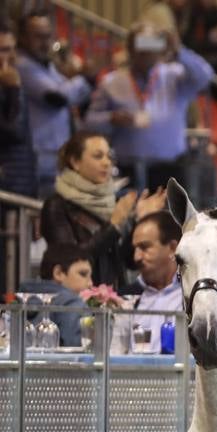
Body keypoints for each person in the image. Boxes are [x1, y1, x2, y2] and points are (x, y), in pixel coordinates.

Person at [84, 21, 213, 192]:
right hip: (126, 168)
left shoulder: (174, 75)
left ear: (160, 48)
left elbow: (205, 76)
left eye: (151, 43)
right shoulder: (111, 82)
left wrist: (178, 51)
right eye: (141, 43)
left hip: (169, 169)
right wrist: (111, 118)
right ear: (130, 49)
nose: (145, 50)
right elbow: (89, 121)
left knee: (169, 218)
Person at [39, 131, 166, 289]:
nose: (107, 163)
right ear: (75, 162)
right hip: (79, 302)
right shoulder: (56, 206)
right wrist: (114, 225)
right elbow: (72, 261)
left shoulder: (111, 203)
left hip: (114, 298)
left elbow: (128, 261)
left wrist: (139, 221)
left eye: (109, 156)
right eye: (98, 156)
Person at [16, 12, 94, 197]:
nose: (45, 42)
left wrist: (76, 80)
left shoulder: (47, 65)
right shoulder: (22, 65)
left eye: (48, 36)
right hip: (38, 156)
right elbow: (57, 98)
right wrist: (82, 77)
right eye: (38, 36)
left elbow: (79, 96)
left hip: (56, 154)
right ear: (23, 37)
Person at [18, 243, 92, 346]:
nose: (90, 283)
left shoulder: (19, 302)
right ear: (59, 273)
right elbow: (77, 350)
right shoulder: (71, 302)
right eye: (83, 274)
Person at [125, 210, 182, 341]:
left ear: (173, 248)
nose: (136, 257)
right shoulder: (127, 297)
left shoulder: (195, 297)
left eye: (144, 247)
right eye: (135, 249)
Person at [0, 19, 36, 199]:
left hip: (21, 181)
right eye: (4, 50)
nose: (13, 56)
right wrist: (13, 90)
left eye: (13, 48)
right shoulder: (10, 83)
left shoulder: (8, 80)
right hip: (6, 186)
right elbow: (13, 131)